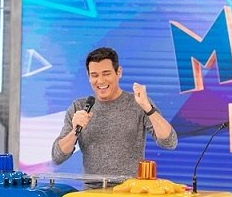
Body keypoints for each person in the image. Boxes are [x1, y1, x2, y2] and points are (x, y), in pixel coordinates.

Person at [51, 47, 177, 177]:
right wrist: (74, 132)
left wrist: (148, 108)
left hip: (129, 188)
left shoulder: (138, 102)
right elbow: (57, 156)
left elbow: (169, 142)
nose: (100, 81)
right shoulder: (79, 107)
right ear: (88, 77)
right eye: (94, 75)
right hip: (92, 189)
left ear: (119, 72)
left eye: (106, 74)